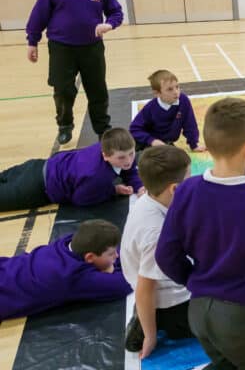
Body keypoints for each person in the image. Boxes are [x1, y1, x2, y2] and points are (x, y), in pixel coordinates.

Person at [156, 97, 245, 369]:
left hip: (198, 311)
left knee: (225, 363)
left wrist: (195, 280)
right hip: (242, 318)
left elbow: (165, 254)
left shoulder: (186, 190)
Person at [26, 0, 124, 144]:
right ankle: (65, 124)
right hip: (62, 48)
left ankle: (102, 128)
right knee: (63, 90)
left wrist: (109, 24)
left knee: (97, 90)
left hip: (92, 48)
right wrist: (32, 41)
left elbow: (116, 12)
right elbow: (39, 14)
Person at [121, 145, 193, 359]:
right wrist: (151, 337)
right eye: (188, 179)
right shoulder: (155, 234)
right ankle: (153, 325)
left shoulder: (149, 199)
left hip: (158, 284)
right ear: (174, 188)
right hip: (172, 302)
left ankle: (150, 318)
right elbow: (145, 288)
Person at [0, 219, 131, 321]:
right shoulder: (73, 277)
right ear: (90, 257)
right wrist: (112, 268)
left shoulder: (66, 242)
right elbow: (125, 283)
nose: (117, 256)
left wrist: (110, 261)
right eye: (111, 254)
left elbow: (110, 252)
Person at [0, 127, 143, 212]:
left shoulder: (111, 147)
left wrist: (139, 186)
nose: (129, 160)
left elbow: (129, 169)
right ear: (106, 156)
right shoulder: (98, 177)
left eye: (131, 153)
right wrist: (113, 190)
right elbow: (80, 199)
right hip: (34, 188)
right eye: (122, 158)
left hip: (36, 166)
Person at [129, 69, 204, 152]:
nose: (176, 92)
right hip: (149, 141)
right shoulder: (150, 108)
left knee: (175, 159)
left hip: (166, 143)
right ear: (157, 93)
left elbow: (190, 124)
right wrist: (152, 140)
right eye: (170, 89)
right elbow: (134, 129)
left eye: (177, 87)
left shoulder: (183, 100)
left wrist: (194, 145)